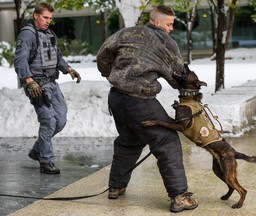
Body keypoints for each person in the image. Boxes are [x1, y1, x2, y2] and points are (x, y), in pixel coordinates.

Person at [97, 5, 198, 213]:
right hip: (139, 101)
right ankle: (179, 196)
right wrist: (192, 88)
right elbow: (179, 76)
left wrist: (108, 72)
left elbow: (103, 53)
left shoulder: (127, 32)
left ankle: (116, 186)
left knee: (129, 141)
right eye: (169, 24)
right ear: (157, 22)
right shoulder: (165, 42)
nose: (171, 28)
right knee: (167, 141)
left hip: (116, 98)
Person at [14, 2, 81, 174]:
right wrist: (28, 81)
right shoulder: (28, 35)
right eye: (45, 17)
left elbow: (56, 56)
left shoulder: (49, 33)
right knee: (49, 121)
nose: (48, 21)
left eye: (50, 18)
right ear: (36, 15)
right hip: (37, 85)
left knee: (61, 119)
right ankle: (45, 161)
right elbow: (20, 59)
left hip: (52, 83)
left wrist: (69, 69)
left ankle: (37, 150)